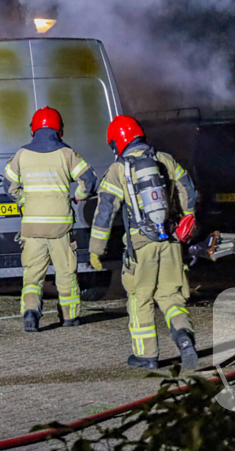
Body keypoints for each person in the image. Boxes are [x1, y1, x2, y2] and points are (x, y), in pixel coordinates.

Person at [89, 115, 199, 370]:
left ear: (118, 142)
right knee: (171, 296)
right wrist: (188, 219)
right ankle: (184, 338)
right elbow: (188, 189)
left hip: (141, 245)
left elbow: (105, 211)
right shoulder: (165, 159)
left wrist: (96, 250)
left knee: (140, 298)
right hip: (171, 241)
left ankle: (146, 355)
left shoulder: (119, 170)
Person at [5, 107, 98, 332]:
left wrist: (26, 200)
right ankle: (69, 317)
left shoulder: (21, 155)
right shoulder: (67, 154)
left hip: (32, 226)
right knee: (65, 272)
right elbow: (89, 180)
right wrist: (78, 197)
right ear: (59, 130)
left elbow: (9, 186)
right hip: (59, 227)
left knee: (33, 274)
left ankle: (30, 312)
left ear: (33, 129)